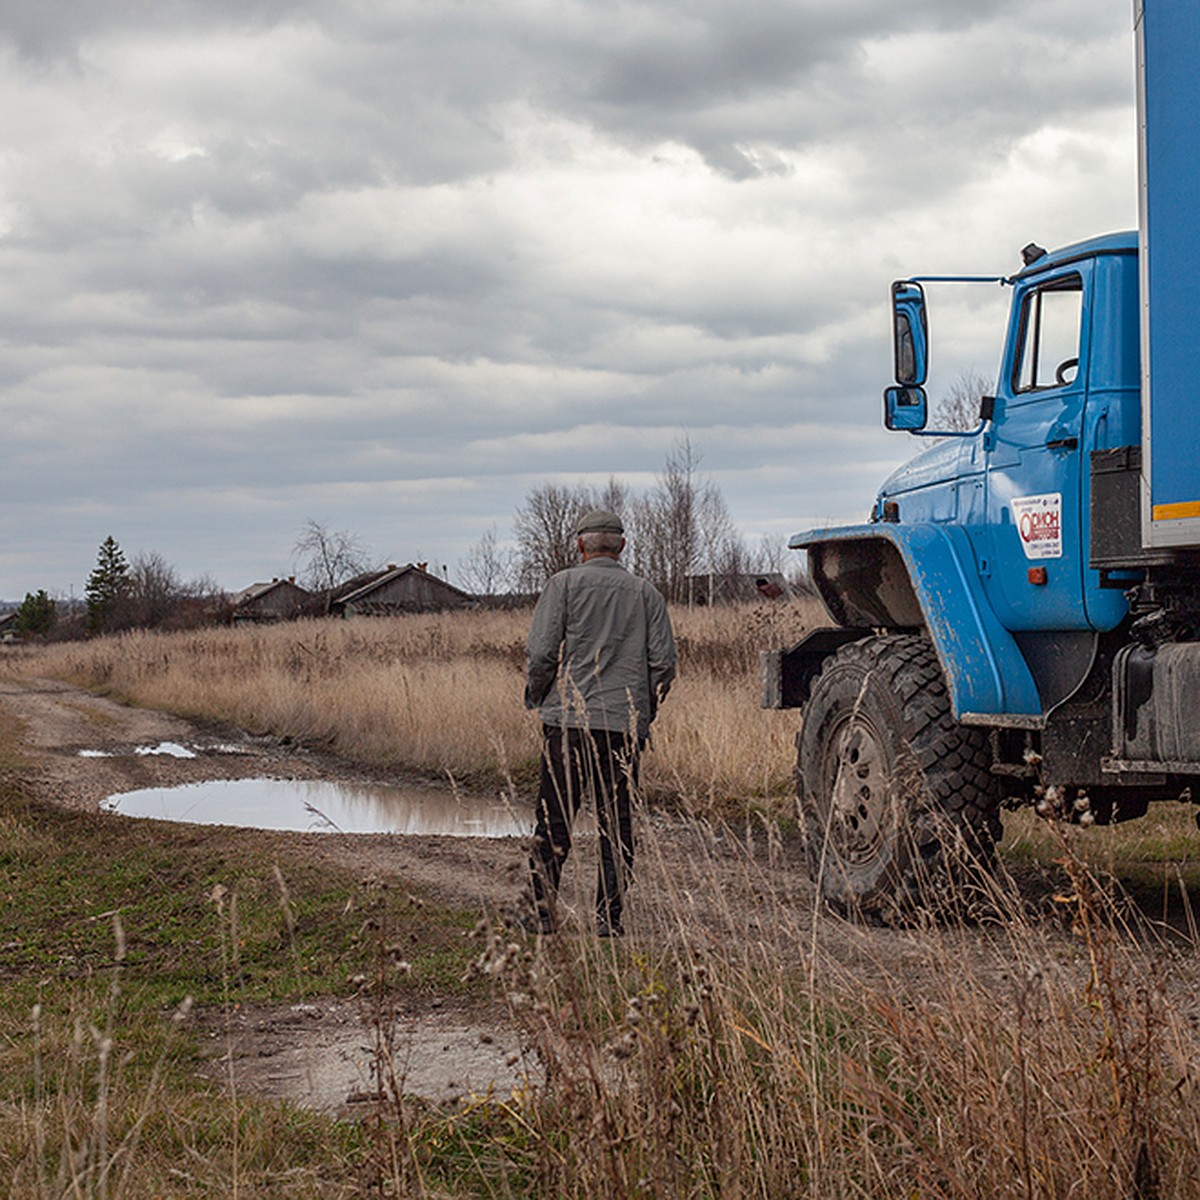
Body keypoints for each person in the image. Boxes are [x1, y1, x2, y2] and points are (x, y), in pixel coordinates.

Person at [521, 508, 676, 937]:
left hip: (567, 724)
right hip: (623, 727)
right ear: (622, 545)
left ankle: (541, 914)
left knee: (554, 819)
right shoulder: (646, 594)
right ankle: (609, 919)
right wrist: (641, 713)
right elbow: (663, 664)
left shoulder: (563, 586)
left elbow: (540, 653)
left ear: (580, 545)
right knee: (617, 823)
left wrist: (540, 696)